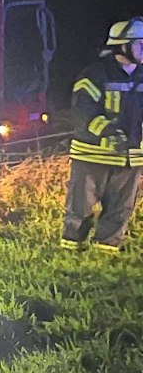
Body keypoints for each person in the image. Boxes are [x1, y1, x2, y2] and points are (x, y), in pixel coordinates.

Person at [61, 19, 143, 253]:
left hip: (131, 156)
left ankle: (106, 250)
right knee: (81, 205)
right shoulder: (95, 74)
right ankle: (72, 247)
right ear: (122, 46)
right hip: (93, 154)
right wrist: (109, 132)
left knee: (121, 207)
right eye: (140, 44)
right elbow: (83, 110)